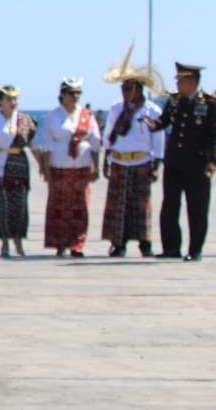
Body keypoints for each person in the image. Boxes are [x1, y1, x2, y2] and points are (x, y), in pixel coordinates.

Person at [98, 49, 164, 257]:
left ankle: (145, 244)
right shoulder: (116, 109)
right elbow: (108, 136)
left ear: (139, 89)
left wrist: (156, 165)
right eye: (123, 88)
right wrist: (106, 160)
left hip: (141, 162)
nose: (125, 92)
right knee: (118, 206)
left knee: (141, 206)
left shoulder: (151, 111)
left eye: (129, 88)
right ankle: (118, 244)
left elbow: (158, 140)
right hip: (119, 161)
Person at [150, 62, 216, 261]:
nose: (178, 84)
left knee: (197, 208)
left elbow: (214, 136)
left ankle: (194, 250)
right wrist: (153, 125)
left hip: (197, 164)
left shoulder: (209, 104)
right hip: (174, 163)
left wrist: (212, 161)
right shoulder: (174, 101)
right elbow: (165, 122)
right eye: (177, 80)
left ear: (192, 82)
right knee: (169, 206)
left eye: (181, 80)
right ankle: (171, 248)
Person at [34, 77, 101, 257]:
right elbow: (46, 145)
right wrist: (46, 169)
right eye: (72, 93)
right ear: (63, 95)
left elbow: (95, 142)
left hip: (82, 166)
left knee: (81, 206)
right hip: (60, 166)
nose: (75, 96)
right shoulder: (52, 117)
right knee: (59, 206)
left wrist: (97, 167)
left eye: (78, 93)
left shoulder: (87, 115)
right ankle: (59, 243)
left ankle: (77, 244)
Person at [0, 85, 37, 257]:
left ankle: (18, 241)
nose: (13, 102)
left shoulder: (24, 120)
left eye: (15, 99)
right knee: (2, 205)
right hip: (0, 166)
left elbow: (34, 145)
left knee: (19, 206)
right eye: (9, 99)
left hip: (19, 166)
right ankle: (4, 243)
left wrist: (43, 164)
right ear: (0, 102)